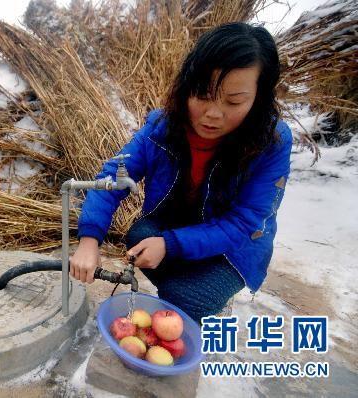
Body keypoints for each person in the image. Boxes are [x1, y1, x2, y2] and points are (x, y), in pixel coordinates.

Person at [69, 22, 292, 324]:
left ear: (258, 99)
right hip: (180, 222)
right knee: (139, 237)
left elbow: (243, 222)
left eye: (233, 101)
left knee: (187, 300)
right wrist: (89, 238)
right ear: (187, 86)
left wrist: (170, 245)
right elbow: (113, 177)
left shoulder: (271, 143)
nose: (213, 114)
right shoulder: (162, 128)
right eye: (202, 94)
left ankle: (196, 296)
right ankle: (185, 290)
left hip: (235, 246)